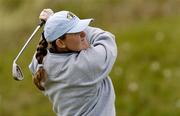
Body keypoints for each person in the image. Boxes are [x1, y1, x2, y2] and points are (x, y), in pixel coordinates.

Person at [29, 8, 117, 116]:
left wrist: (51, 24)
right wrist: (52, 21)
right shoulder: (84, 64)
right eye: (77, 32)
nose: (83, 34)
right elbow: (106, 38)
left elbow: (47, 42)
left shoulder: (39, 62)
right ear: (61, 43)